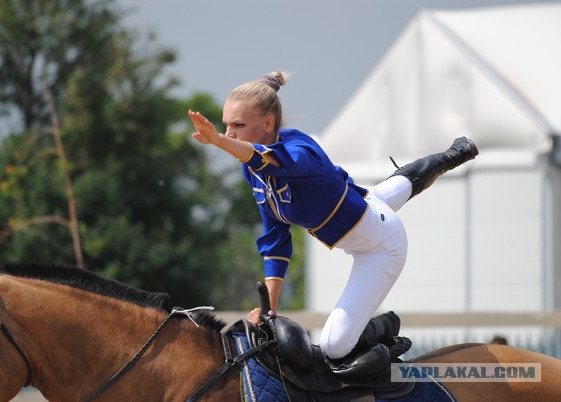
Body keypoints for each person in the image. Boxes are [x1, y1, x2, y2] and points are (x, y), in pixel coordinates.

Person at [188, 71, 478, 364]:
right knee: (396, 187)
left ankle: (385, 325)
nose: (229, 133)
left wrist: (218, 142)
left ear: (267, 124)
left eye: (238, 125)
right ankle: (456, 153)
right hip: (364, 204)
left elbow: (267, 159)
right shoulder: (252, 172)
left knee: (333, 348)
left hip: (380, 245)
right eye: (226, 125)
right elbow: (276, 238)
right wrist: (270, 308)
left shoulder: (299, 149)